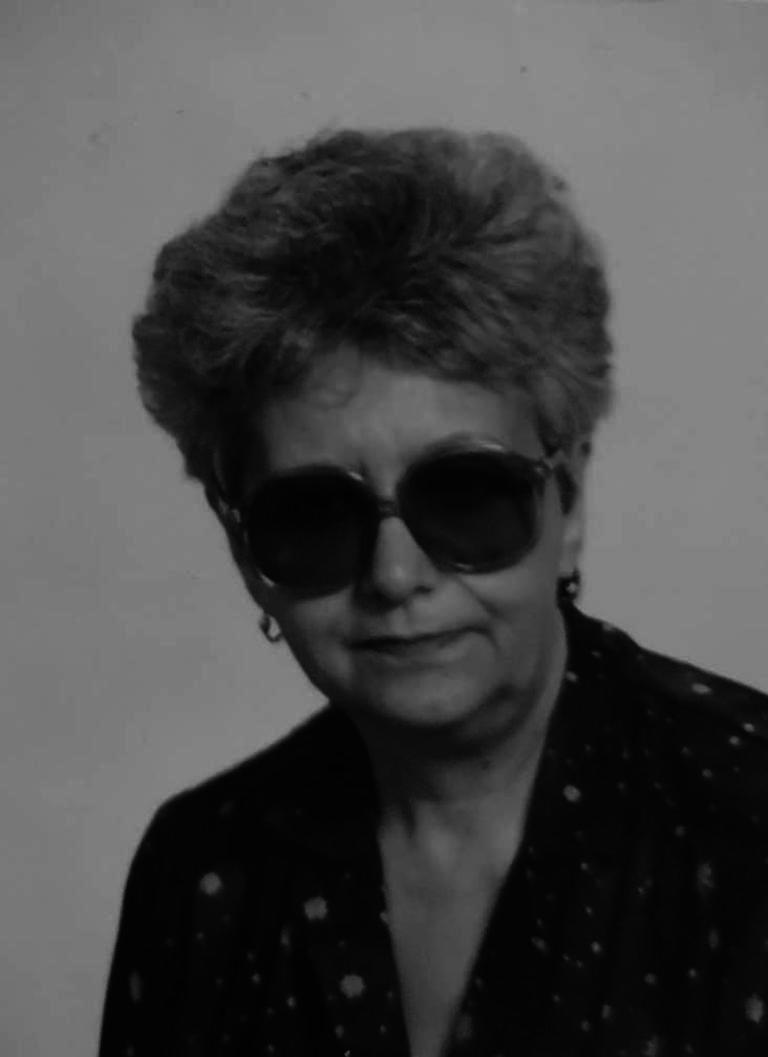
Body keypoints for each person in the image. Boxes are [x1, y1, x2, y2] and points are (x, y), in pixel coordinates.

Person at [99, 127, 768, 1057]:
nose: (395, 576)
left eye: (463, 496)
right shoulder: (205, 871)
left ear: (568, 500)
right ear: (242, 545)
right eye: (315, 517)